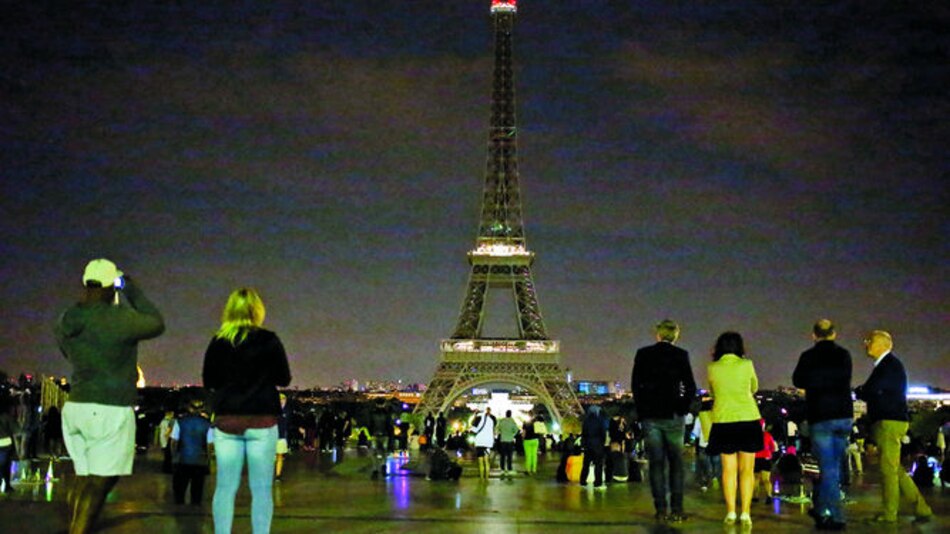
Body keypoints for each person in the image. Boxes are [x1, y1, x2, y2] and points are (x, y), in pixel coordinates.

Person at [54, 258, 165, 534]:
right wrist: (129, 287)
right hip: (109, 408)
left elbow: (67, 352)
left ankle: (75, 526)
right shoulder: (119, 319)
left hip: (77, 406)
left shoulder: (67, 318)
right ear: (110, 286)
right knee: (101, 482)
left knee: (86, 479)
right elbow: (156, 322)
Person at [203, 287, 292, 534]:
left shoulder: (218, 341)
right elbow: (284, 378)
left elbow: (209, 380)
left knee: (225, 487)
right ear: (258, 310)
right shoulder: (269, 340)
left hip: (227, 420)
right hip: (262, 420)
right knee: (261, 490)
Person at [855, 330, 933, 524]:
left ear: (882, 344)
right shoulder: (890, 365)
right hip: (892, 421)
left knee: (888, 471)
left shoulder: (887, 365)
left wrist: (861, 391)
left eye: (870, 340)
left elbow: (870, 389)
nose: (866, 343)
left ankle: (890, 514)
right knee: (894, 468)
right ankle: (921, 508)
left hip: (888, 422)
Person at [631, 319, 697, 522]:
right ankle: (677, 508)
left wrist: (643, 411)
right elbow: (690, 386)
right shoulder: (681, 355)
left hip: (650, 415)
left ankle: (660, 509)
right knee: (676, 464)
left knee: (656, 464)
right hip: (673, 415)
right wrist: (682, 408)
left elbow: (636, 385)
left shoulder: (643, 354)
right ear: (675, 336)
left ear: (658, 335)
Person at [791, 319, 853, 530]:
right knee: (833, 465)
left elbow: (798, 380)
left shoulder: (808, 357)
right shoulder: (844, 355)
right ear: (834, 334)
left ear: (814, 335)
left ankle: (835, 515)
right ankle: (820, 507)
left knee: (827, 468)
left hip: (820, 414)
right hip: (843, 414)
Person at [706, 332, 762, 527]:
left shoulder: (712, 368)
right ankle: (745, 513)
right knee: (747, 470)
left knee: (728, 470)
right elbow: (754, 387)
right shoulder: (747, 365)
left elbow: (713, 392)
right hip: (748, 418)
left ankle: (730, 512)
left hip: (724, 420)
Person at [171, 399, 213, 505]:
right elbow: (210, 445)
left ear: (189, 408)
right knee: (197, 491)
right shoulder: (208, 424)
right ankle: (195, 509)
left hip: (183, 459)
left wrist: (174, 455)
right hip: (200, 460)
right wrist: (208, 459)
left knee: (180, 490)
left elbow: (174, 442)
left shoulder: (180, 422)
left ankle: (179, 509)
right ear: (202, 409)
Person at [580, 404, 608, 489]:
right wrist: (602, 443)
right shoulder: (600, 420)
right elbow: (603, 433)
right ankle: (597, 483)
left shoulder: (586, 421)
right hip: (597, 445)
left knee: (586, 464)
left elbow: (583, 434)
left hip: (588, 445)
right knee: (598, 465)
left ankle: (583, 481)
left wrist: (584, 444)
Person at [752, 419, 777, 503]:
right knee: (766, 479)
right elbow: (773, 448)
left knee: (756, 478)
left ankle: (755, 497)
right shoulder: (768, 435)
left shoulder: (752, 436)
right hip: (766, 458)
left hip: (756, 458)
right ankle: (769, 496)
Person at [472, 408, 496, 480]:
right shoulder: (491, 420)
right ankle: (487, 478)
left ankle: (482, 478)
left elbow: (474, 429)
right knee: (486, 461)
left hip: (479, 442)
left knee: (480, 462)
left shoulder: (478, 418)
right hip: (488, 442)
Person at [496, 410, 519, 476]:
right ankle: (509, 469)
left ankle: (502, 469)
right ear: (510, 414)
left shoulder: (502, 421)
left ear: (505, 414)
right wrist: (512, 435)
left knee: (502, 456)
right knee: (509, 456)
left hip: (503, 440)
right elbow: (516, 430)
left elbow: (498, 429)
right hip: (510, 440)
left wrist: (501, 433)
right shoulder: (512, 421)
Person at [275, 394, 290, 481]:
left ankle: (278, 475)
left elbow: (287, 423)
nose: (281, 401)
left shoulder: (287, 411)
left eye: (283, 399)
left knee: (279, 456)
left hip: (281, 436)